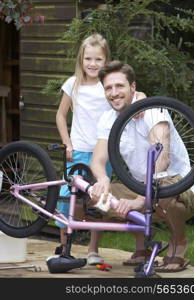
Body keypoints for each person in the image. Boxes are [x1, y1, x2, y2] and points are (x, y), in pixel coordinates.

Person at [90, 60, 194, 272]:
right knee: (95, 196)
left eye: (119, 86)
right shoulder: (107, 119)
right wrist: (102, 180)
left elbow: (162, 159)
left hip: (175, 187)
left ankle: (179, 244)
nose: (114, 93)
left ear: (133, 87)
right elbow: (98, 160)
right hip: (141, 187)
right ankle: (143, 245)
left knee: (161, 195)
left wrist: (140, 200)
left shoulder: (153, 110)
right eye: (108, 88)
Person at [55, 33, 113, 266]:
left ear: (106, 61)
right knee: (66, 198)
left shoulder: (107, 86)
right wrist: (67, 143)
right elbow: (60, 115)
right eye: (88, 59)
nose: (92, 64)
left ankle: (93, 249)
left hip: (102, 152)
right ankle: (63, 246)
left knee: (98, 201)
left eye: (98, 59)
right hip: (77, 150)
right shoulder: (73, 84)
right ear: (81, 59)